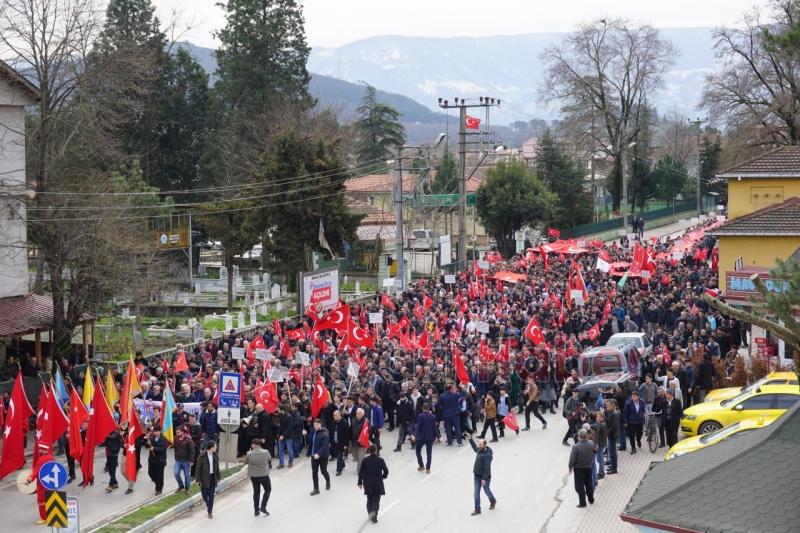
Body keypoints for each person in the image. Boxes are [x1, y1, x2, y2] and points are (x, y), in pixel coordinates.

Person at [357, 444, 389, 524]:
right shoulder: (380, 460)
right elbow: (386, 471)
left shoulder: (365, 460)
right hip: (378, 483)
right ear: (376, 450)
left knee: (369, 499)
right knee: (376, 500)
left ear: (369, 451)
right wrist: (383, 477)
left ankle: (370, 513)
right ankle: (374, 515)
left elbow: (361, 472)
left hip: (368, 484)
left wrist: (360, 483)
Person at [466, 432, 496, 515]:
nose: (478, 446)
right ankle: (477, 509)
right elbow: (475, 448)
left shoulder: (488, 455)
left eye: (480, 445)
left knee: (486, 490)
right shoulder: (480, 449)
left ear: (485, 445)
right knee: (476, 493)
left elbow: (487, 468)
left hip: (484, 477)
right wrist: (470, 439)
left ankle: (493, 501)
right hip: (476, 475)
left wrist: (484, 479)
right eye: (478, 444)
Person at [243, 438, 271, 516]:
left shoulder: (249, 453)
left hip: (254, 476)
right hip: (264, 475)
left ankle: (256, 510)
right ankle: (263, 506)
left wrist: (247, 454)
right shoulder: (266, 452)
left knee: (256, 492)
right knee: (268, 490)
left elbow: (245, 462)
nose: (251, 446)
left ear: (254, 445)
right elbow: (269, 459)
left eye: (252, 444)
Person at [568, 429, 595, 508]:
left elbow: (572, 459)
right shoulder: (591, 443)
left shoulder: (576, 447)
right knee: (589, 484)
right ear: (586, 436)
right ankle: (591, 499)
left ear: (579, 437)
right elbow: (595, 449)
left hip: (579, 469)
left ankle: (582, 502)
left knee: (579, 487)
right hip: (588, 467)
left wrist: (570, 467)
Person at [196, 441, 221, 519]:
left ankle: (210, 512)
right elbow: (198, 469)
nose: (216, 448)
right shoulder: (202, 456)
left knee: (211, 496)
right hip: (204, 478)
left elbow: (217, 468)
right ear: (211, 447)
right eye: (215, 446)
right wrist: (198, 480)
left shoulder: (215, 456)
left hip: (213, 477)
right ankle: (208, 503)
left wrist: (218, 477)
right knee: (204, 495)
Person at [412, 403, 436, 473]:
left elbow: (418, 427)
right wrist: (439, 436)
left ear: (422, 408)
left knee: (418, 451)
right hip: (430, 437)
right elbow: (435, 428)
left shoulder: (420, 416)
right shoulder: (432, 416)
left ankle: (421, 466)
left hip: (421, 438)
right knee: (429, 453)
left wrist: (414, 435)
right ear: (429, 408)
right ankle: (428, 468)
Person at [309, 418, 331, 495]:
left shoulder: (324, 434)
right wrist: (305, 433)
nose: (316, 426)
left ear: (321, 425)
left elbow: (325, 446)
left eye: (317, 424)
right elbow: (312, 441)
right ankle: (316, 489)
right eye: (315, 424)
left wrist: (318, 454)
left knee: (323, 471)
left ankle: (328, 481)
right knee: (314, 472)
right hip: (313, 456)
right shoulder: (313, 431)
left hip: (322, 456)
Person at [145, 426, 168, 495]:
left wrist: (154, 448)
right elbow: (146, 446)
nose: (156, 433)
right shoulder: (152, 438)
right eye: (155, 431)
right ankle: (157, 484)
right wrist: (147, 443)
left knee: (159, 476)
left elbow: (163, 449)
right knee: (150, 473)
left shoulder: (163, 439)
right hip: (152, 460)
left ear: (160, 431)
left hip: (160, 460)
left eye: (157, 431)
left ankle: (159, 489)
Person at [172, 426, 195, 495]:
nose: (177, 433)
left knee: (187, 476)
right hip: (178, 461)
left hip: (186, 461)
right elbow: (174, 448)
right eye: (176, 432)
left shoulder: (188, 440)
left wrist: (191, 461)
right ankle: (181, 486)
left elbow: (192, 451)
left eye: (178, 432)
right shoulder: (175, 439)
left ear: (182, 432)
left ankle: (187, 488)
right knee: (176, 474)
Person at [330, 409, 350, 476]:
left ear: (339, 415)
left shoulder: (345, 423)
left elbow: (347, 435)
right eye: (333, 415)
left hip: (341, 443)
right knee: (338, 456)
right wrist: (330, 442)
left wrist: (346, 444)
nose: (334, 416)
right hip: (334, 442)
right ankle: (343, 465)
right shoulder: (333, 422)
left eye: (335, 415)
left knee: (339, 456)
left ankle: (339, 470)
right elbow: (331, 433)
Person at [104, 425, 123, 492]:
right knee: (110, 469)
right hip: (109, 453)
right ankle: (115, 483)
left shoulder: (116, 433)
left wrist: (105, 435)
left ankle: (110, 485)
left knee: (112, 470)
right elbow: (106, 442)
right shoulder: (110, 433)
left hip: (114, 455)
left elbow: (112, 438)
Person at [351, 408, 368, 473]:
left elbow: (369, 431)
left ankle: (360, 470)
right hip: (354, 442)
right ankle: (363, 465)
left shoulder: (366, 421)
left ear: (362, 414)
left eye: (358, 414)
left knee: (360, 457)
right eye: (356, 413)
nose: (357, 415)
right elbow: (351, 430)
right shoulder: (353, 420)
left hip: (362, 443)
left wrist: (364, 438)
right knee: (355, 456)